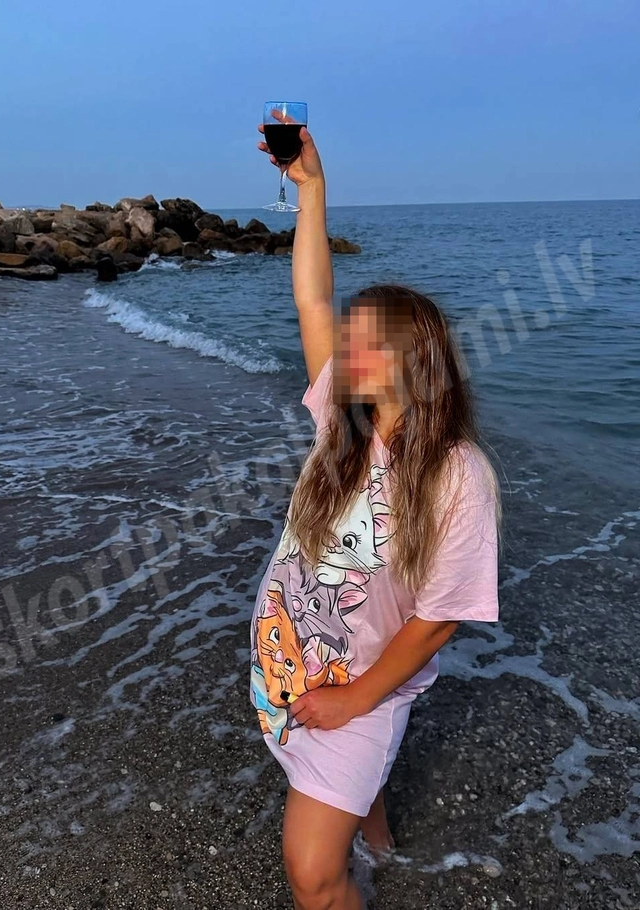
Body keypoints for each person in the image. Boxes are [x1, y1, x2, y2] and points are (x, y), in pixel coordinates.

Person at [250, 116, 503, 910]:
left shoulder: (458, 474)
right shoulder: (343, 421)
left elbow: (437, 619)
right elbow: (312, 295)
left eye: (366, 340)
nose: (345, 347)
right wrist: (312, 191)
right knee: (342, 805)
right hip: (293, 658)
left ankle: (362, 841)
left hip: (359, 684)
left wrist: (356, 701)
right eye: (349, 336)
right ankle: (378, 833)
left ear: (414, 360)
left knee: (312, 874)